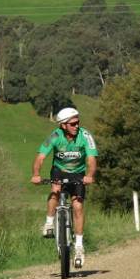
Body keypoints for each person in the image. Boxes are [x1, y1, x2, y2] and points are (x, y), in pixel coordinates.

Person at [30, 107, 98, 268]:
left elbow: (91, 159)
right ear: (63, 125)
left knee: (78, 206)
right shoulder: (55, 136)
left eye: (77, 122)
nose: (76, 126)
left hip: (78, 173)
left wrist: (90, 175)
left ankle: (79, 246)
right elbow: (40, 157)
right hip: (59, 171)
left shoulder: (85, 136)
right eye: (72, 124)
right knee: (55, 191)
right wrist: (36, 174)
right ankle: (49, 223)